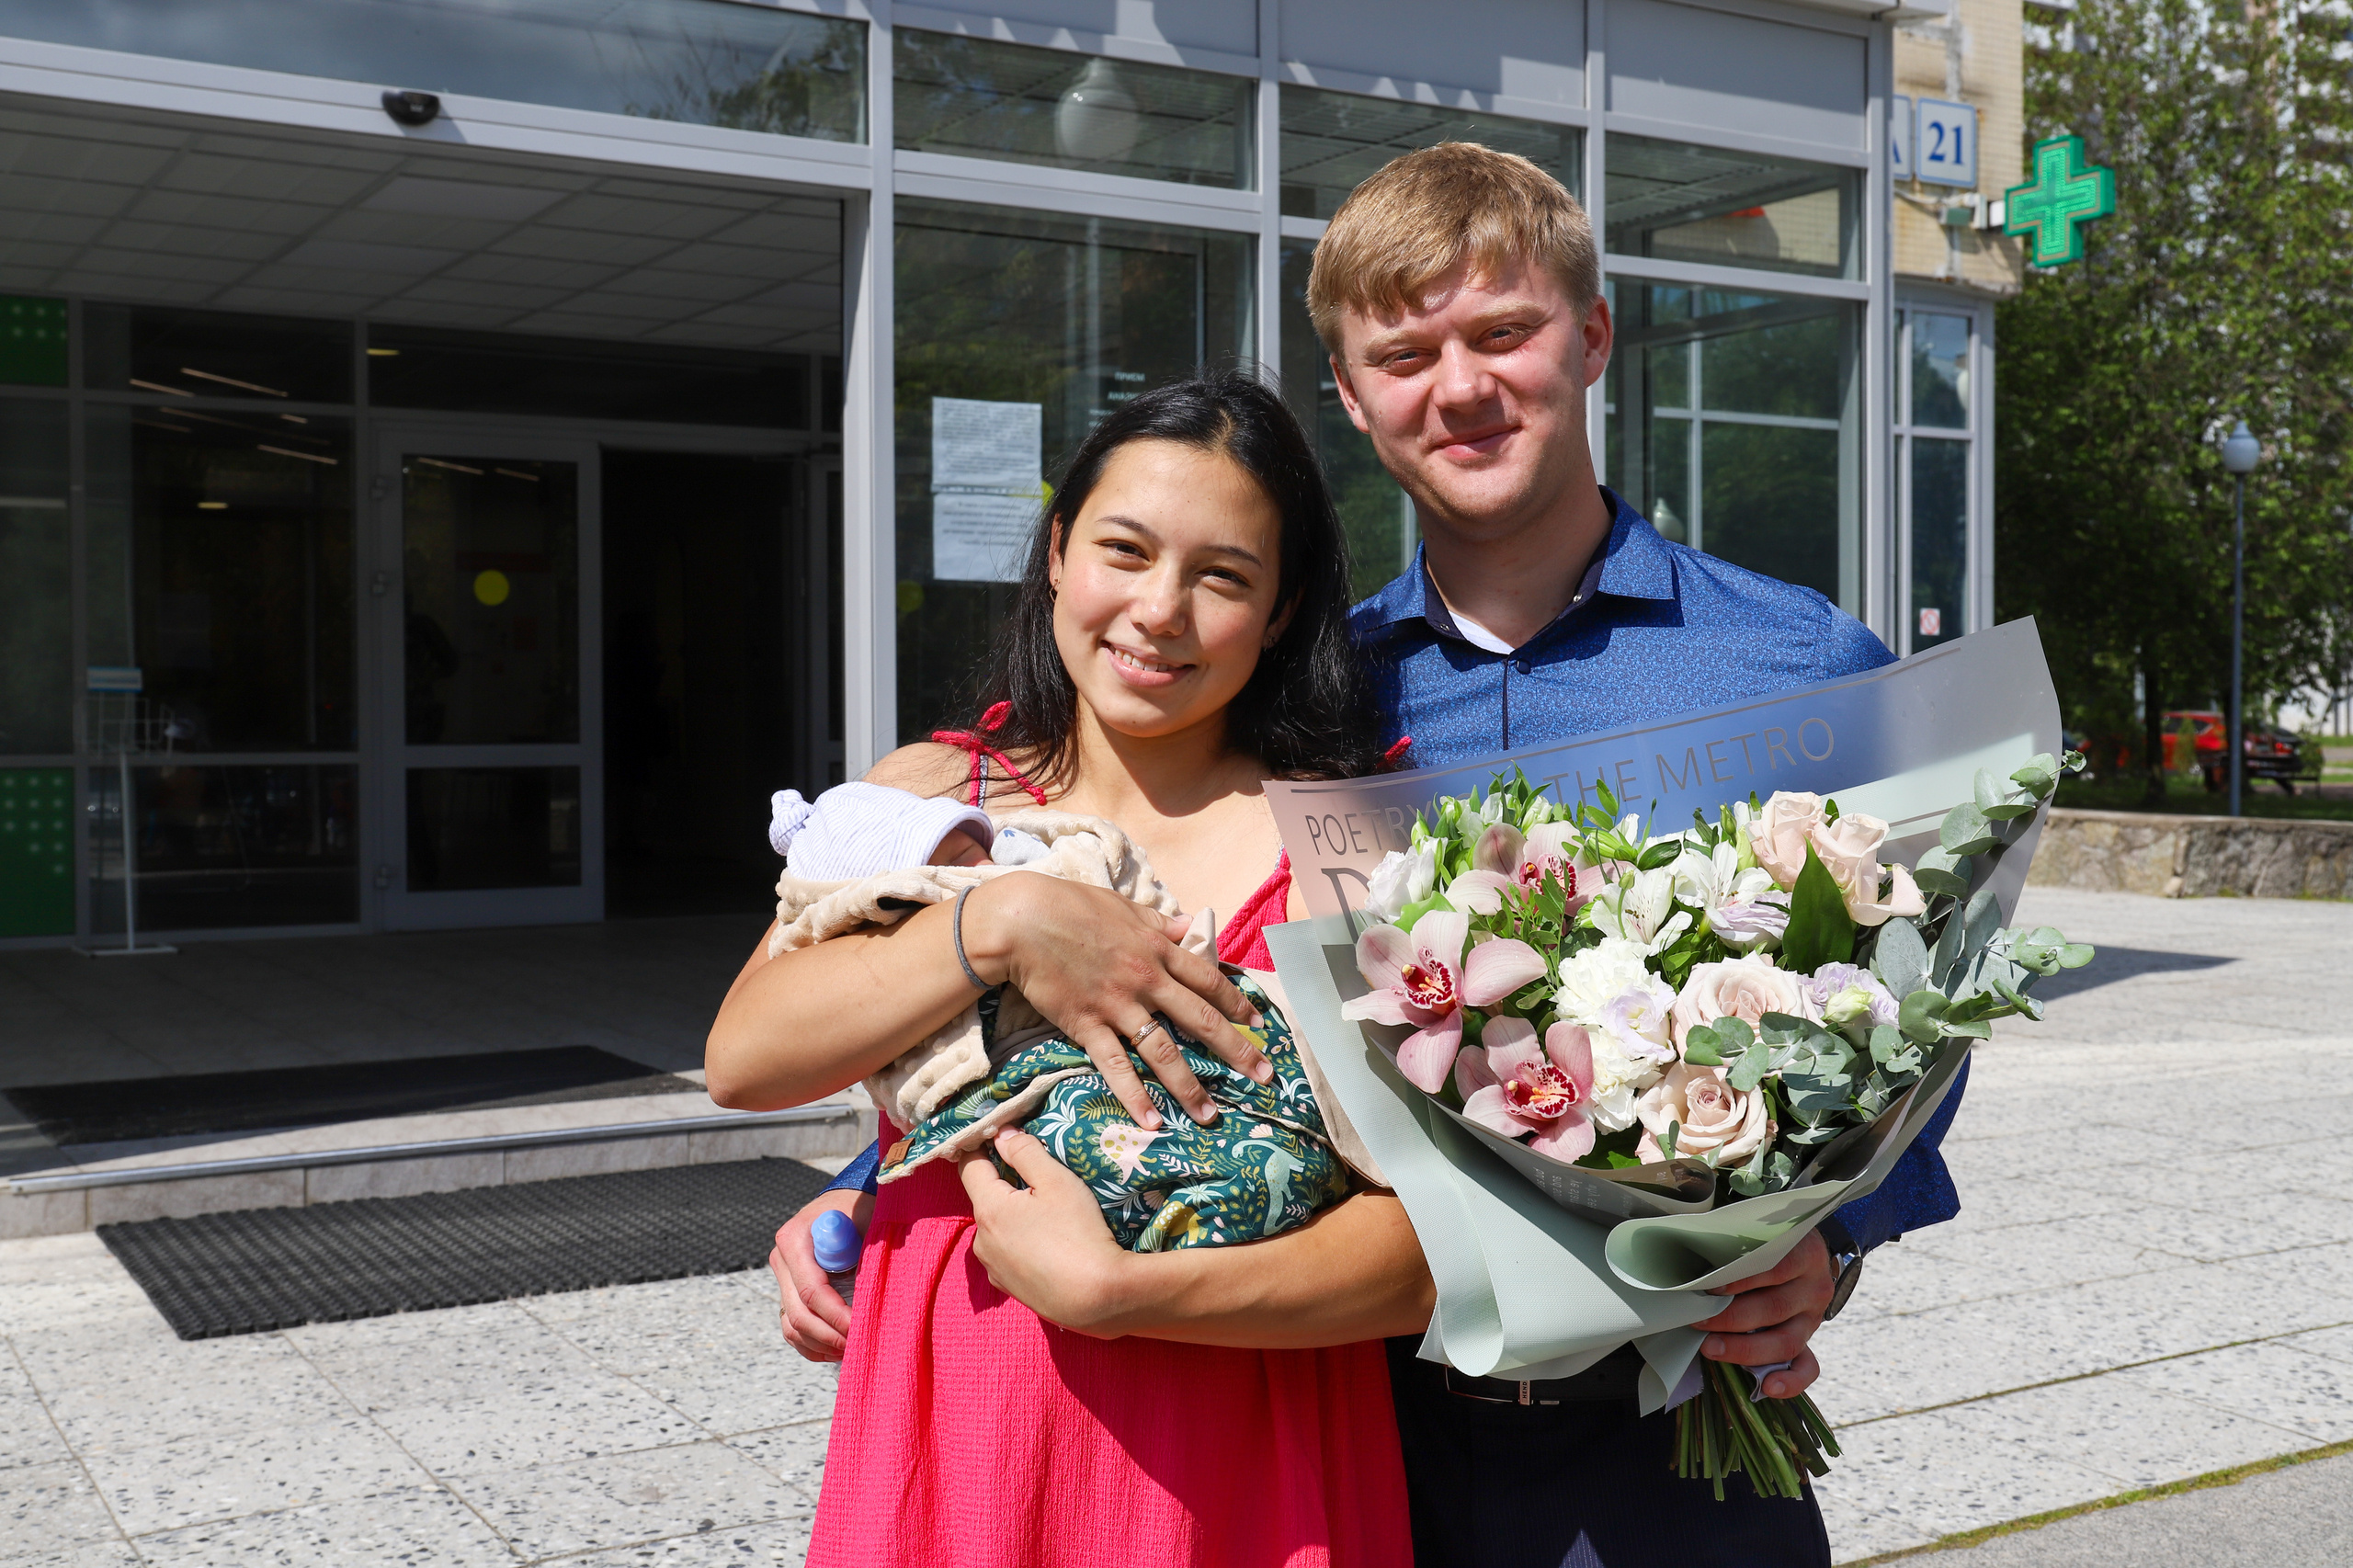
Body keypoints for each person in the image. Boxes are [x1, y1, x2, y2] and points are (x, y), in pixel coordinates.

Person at [772, 142, 1972, 1567]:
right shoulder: (1306, 709)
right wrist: (875, 1184)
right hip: (1362, 1434)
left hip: (1672, 1436)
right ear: (1351, 396)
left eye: (1504, 333)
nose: (1459, 388)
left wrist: (1834, 1239)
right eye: (1403, 355)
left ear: (1593, 336)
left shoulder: (1801, 663)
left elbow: (1929, 994)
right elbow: (1178, 982)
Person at [707, 369, 1417, 1566]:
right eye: (1123, 551)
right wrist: (1001, 922)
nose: (1159, 610)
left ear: (1284, 608)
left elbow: (1430, 1255)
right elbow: (743, 1060)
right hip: (957, 1422)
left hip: (1244, 1448)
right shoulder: (928, 796)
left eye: (1223, 576)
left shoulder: (1348, 840)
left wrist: (1127, 1296)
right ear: (1055, 553)